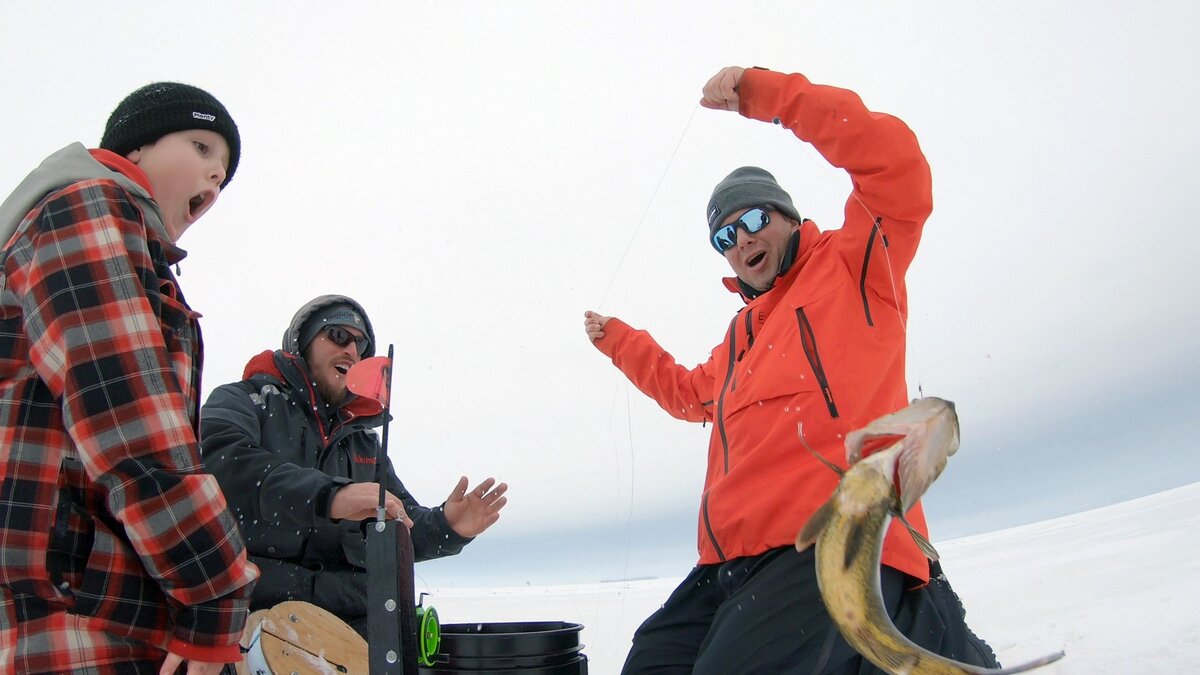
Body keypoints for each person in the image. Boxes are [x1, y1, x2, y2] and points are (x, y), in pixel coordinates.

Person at [583, 66, 1000, 674]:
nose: (740, 240)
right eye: (724, 236)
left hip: (835, 543)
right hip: (727, 565)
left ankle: (920, 627)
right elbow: (687, 394)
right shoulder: (740, 336)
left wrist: (768, 95)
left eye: (752, 220)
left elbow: (896, 164)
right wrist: (620, 342)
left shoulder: (855, 263)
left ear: (785, 215)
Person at [0, 83, 259, 674]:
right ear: (136, 148)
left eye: (223, 175)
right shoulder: (83, 207)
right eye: (201, 147)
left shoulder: (124, 244)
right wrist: (214, 592)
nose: (215, 177)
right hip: (79, 614)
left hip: (104, 601)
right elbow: (127, 415)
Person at [199, 294, 508, 638]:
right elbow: (223, 465)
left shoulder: (362, 440)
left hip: (355, 629)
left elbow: (397, 525)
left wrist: (448, 526)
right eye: (338, 336)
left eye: (360, 344)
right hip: (255, 621)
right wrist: (331, 497)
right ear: (301, 344)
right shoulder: (243, 400)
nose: (352, 351)